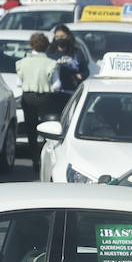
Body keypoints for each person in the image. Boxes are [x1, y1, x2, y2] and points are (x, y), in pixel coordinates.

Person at [15, 32, 57, 172]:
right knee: (48, 130)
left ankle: (35, 160)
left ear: (31, 45)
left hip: (28, 97)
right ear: (46, 46)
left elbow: (19, 83)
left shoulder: (22, 63)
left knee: (31, 130)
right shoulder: (51, 63)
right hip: (45, 98)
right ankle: (47, 157)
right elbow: (57, 85)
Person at [49, 24, 86, 111]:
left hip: (72, 93)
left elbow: (85, 70)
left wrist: (79, 76)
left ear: (68, 36)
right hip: (54, 94)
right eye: (57, 37)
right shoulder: (50, 52)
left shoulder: (76, 52)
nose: (60, 39)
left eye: (62, 36)